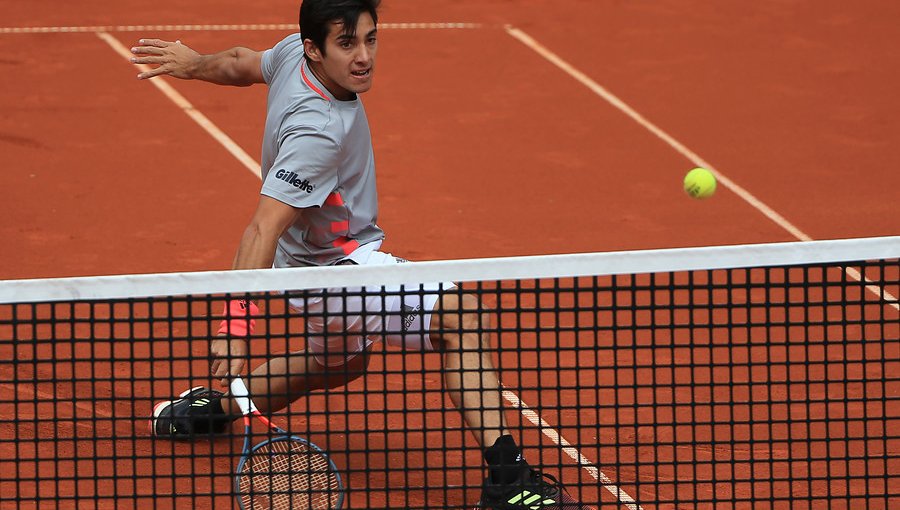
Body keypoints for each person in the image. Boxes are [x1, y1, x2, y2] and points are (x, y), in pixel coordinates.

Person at [133, 1, 587, 508]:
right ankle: (509, 481)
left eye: (370, 39)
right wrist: (234, 329)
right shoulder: (319, 132)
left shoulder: (291, 55)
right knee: (461, 315)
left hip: (304, 264)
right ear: (315, 48)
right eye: (347, 45)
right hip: (338, 272)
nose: (364, 56)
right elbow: (260, 228)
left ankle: (212, 409)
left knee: (339, 366)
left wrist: (193, 63)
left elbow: (242, 61)